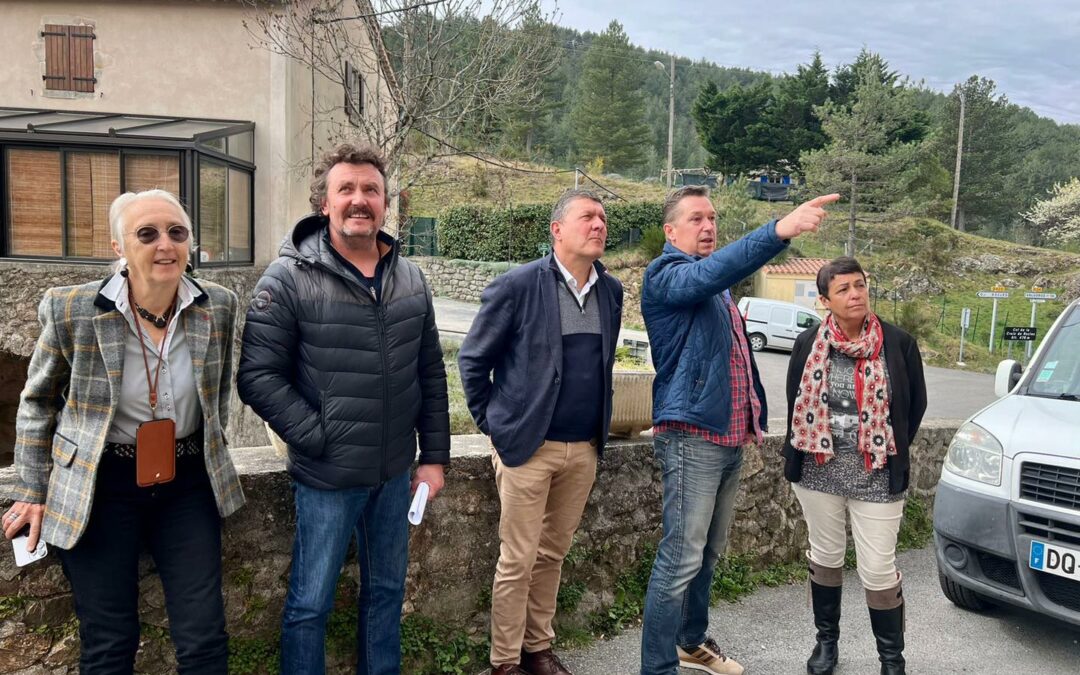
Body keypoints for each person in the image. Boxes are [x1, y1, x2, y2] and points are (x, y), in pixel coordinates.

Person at [2, 189, 245, 673]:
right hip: (101, 485)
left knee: (204, 639)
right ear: (118, 247)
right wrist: (31, 488)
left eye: (177, 232)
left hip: (186, 483)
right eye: (147, 234)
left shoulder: (218, 305)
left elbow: (216, 395)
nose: (165, 245)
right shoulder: (72, 308)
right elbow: (37, 400)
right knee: (109, 642)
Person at [236, 142, 450, 675]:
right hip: (327, 478)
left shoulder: (410, 278)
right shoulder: (287, 278)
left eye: (371, 189)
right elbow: (257, 377)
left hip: (394, 473)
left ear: (385, 203)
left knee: (386, 594)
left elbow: (430, 373)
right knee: (310, 605)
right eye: (346, 189)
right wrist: (319, 436)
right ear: (323, 202)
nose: (360, 199)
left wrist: (434, 458)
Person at [639, 186, 839, 675]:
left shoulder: (718, 287)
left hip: (727, 437)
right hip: (691, 437)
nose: (708, 226)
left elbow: (732, 353)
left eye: (712, 218)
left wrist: (753, 416)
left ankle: (690, 642)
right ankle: (657, 668)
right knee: (680, 558)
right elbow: (710, 273)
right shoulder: (666, 275)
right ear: (670, 231)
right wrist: (779, 230)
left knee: (707, 555)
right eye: (696, 219)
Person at [458, 189, 623, 675]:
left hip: (583, 449)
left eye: (603, 218)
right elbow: (473, 361)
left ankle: (538, 650)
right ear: (557, 229)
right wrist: (494, 426)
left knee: (552, 555)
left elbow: (601, 366)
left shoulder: (611, 291)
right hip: (528, 448)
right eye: (587, 216)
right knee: (518, 560)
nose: (599, 225)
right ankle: (505, 662)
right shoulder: (518, 285)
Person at [782, 257, 926, 675]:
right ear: (824, 300)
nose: (855, 294)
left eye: (859, 285)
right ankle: (826, 642)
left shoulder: (898, 343)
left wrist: (885, 450)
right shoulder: (808, 344)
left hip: (877, 475)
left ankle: (892, 660)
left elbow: (914, 406)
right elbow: (795, 399)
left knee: (878, 570)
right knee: (826, 557)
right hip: (818, 473)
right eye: (843, 289)